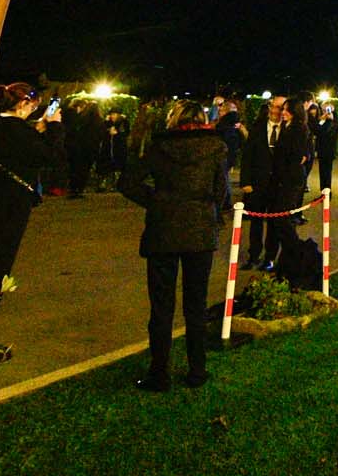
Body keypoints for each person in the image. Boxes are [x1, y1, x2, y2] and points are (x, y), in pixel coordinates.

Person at [118, 98, 229, 392]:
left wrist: (157, 201)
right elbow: (221, 192)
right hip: (200, 232)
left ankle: (159, 373)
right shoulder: (216, 148)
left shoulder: (159, 147)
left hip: (163, 231)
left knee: (161, 307)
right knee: (196, 305)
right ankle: (197, 370)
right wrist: (210, 213)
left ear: (173, 120)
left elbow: (128, 182)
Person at [0, 82, 64, 365]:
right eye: (33, 105)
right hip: (8, 209)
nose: (36, 110)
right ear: (22, 104)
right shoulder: (17, 132)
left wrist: (38, 130)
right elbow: (51, 157)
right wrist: (54, 127)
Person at [240, 95, 305, 271]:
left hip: (278, 185)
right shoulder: (258, 127)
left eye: (281, 108)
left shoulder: (290, 129)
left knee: (275, 224)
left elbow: (301, 152)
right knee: (255, 222)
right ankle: (253, 255)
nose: (277, 111)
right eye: (274, 107)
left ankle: (269, 258)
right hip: (258, 183)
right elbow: (247, 155)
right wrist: (245, 181)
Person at [310, 101, 338, 193]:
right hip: (323, 150)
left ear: (332, 108)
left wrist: (325, 120)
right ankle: (324, 192)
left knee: (326, 173)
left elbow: (322, 132)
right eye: (323, 110)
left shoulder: (333, 120)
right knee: (323, 173)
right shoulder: (326, 119)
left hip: (328, 150)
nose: (324, 112)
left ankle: (326, 193)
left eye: (327, 109)